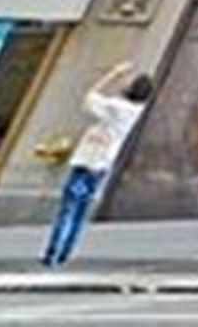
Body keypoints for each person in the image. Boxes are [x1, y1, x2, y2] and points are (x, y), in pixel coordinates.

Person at [40, 65, 151, 267]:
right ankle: (64, 253)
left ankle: (53, 253)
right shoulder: (134, 111)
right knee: (80, 211)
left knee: (69, 208)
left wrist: (113, 74)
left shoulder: (117, 107)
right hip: (102, 164)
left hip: (87, 161)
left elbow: (89, 97)